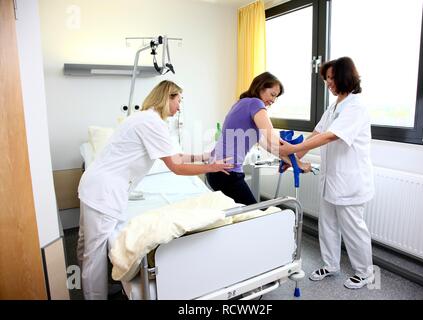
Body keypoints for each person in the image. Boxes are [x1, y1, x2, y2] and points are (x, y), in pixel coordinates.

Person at [76, 80, 233, 300]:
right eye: (178, 101)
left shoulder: (145, 118)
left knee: (85, 243)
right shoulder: (152, 123)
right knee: (93, 253)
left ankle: (94, 286)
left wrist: (203, 157)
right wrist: (211, 167)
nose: (179, 107)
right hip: (104, 192)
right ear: (168, 97)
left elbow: (175, 155)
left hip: (95, 186)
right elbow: (176, 167)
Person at [279, 57, 375, 289]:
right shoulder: (333, 107)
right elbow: (317, 133)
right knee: (328, 224)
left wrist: (294, 149)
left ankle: (366, 273)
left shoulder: (356, 107)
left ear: (345, 77)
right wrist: (294, 158)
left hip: (350, 181)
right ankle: (331, 265)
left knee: (353, 229)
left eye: (331, 78)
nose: (328, 83)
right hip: (332, 180)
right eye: (326, 79)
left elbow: (331, 136)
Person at [206, 72, 311, 205]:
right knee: (255, 216)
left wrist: (291, 162)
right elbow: (274, 140)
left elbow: (269, 145)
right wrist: (299, 162)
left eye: (276, 97)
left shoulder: (241, 103)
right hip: (227, 173)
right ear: (261, 87)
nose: (273, 100)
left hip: (215, 172)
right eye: (272, 94)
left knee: (241, 216)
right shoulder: (255, 103)